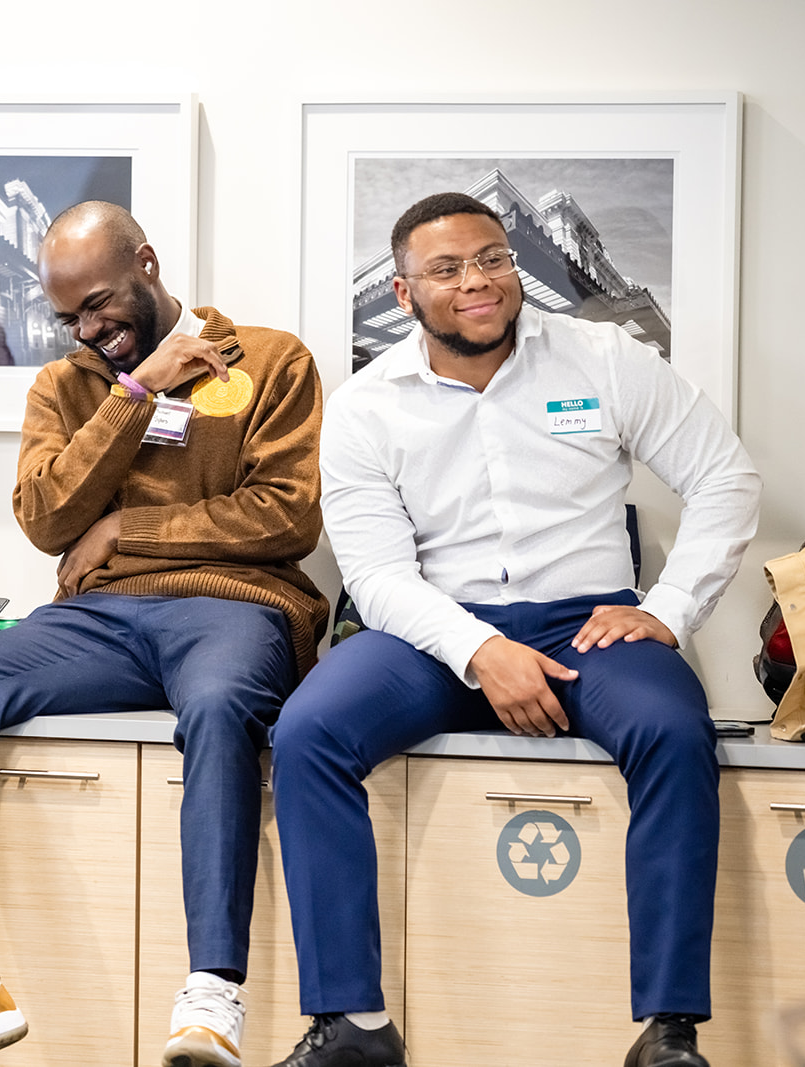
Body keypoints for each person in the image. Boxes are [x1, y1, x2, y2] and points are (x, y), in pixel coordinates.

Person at [265, 192, 761, 1067]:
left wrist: (668, 608)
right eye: (447, 269)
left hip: (587, 628)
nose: (478, 281)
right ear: (404, 291)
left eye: (491, 257)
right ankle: (353, 1026)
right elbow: (378, 577)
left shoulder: (605, 357)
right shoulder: (363, 406)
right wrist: (480, 650)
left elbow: (725, 478)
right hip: (432, 632)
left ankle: (670, 1030)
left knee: (673, 731)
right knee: (307, 731)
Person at [0, 201, 328, 1067]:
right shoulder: (70, 384)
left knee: (224, 706)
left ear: (148, 263)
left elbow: (285, 515)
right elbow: (47, 516)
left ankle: (212, 991)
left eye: (102, 304)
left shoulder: (269, 359)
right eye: (69, 315)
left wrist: (127, 531)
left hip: (237, 603)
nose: (89, 329)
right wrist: (137, 389)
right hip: (101, 618)